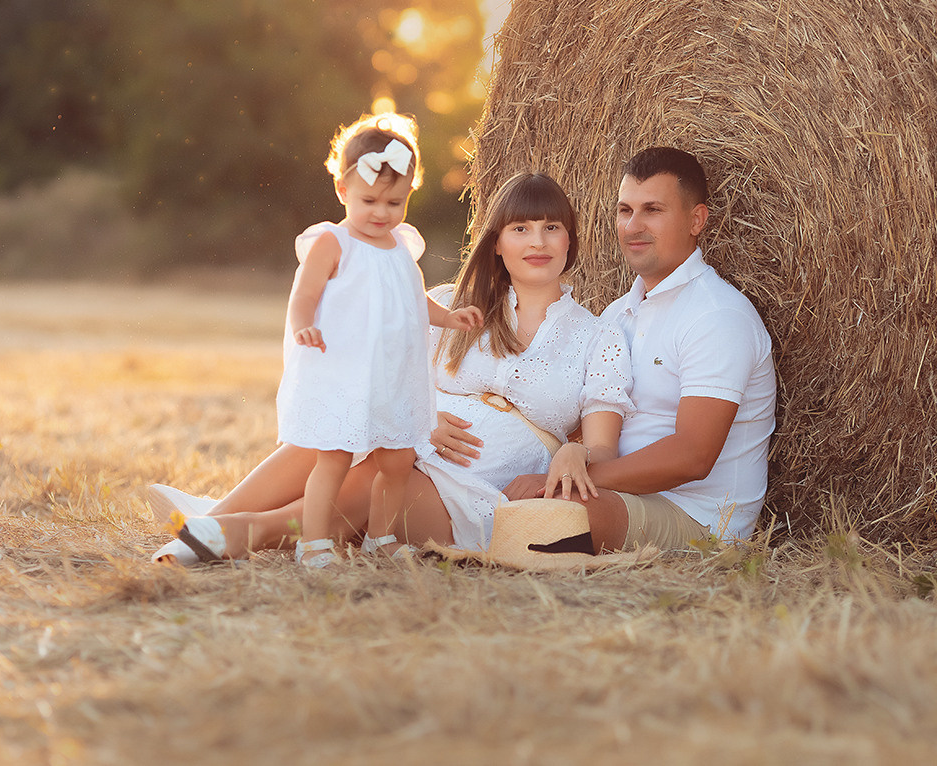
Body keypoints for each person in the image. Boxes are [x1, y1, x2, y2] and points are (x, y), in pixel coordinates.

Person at [150, 172, 633, 563]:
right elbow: (377, 373)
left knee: (361, 498)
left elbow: (603, 447)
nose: (538, 242)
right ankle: (217, 520)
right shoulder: (448, 305)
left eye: (552, 227)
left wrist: (576, 455)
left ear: (571, 239)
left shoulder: (598, 336)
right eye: (521, 229)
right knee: (335, 435)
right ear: (497, 244)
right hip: (402, 436)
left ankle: (228, 532)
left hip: (471, 485)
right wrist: (419, 417)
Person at [163, 112, 482, 568]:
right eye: (369, 200)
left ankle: (380, 536)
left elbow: (414, 302)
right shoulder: (334, 242)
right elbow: (304, 294)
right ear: (342, 191)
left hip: (393, 377)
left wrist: (450, 317)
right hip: (345, 373)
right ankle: (314, 543)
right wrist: (303, 324)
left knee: (397, 461)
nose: (381, 213)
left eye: (394, 203)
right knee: (332, 460)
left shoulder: (402, 249)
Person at [504, 146, 776, 552]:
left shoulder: (717, 316)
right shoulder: (616, 316)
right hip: (619, 493)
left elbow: (693, 456)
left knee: (561, 513)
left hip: (698, 518)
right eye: (624, 210)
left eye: (652, 210)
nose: (633, 226)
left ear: (696, 220)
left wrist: (570, 477)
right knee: (498, 492)